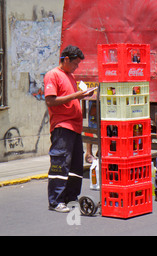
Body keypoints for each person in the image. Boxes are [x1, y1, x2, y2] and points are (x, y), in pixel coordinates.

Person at [44, 45, 95, 212]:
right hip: (62, 126)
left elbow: (71, 98)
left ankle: (71, 198)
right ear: (66, 59)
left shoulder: (70, 76)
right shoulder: (53, 75)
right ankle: (56, 201)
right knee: (60, 163)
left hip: (75, 127)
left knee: (75, 166)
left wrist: (84, 95)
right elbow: (51, 101)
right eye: (75, 64)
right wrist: (76, 95)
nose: (76, 67)